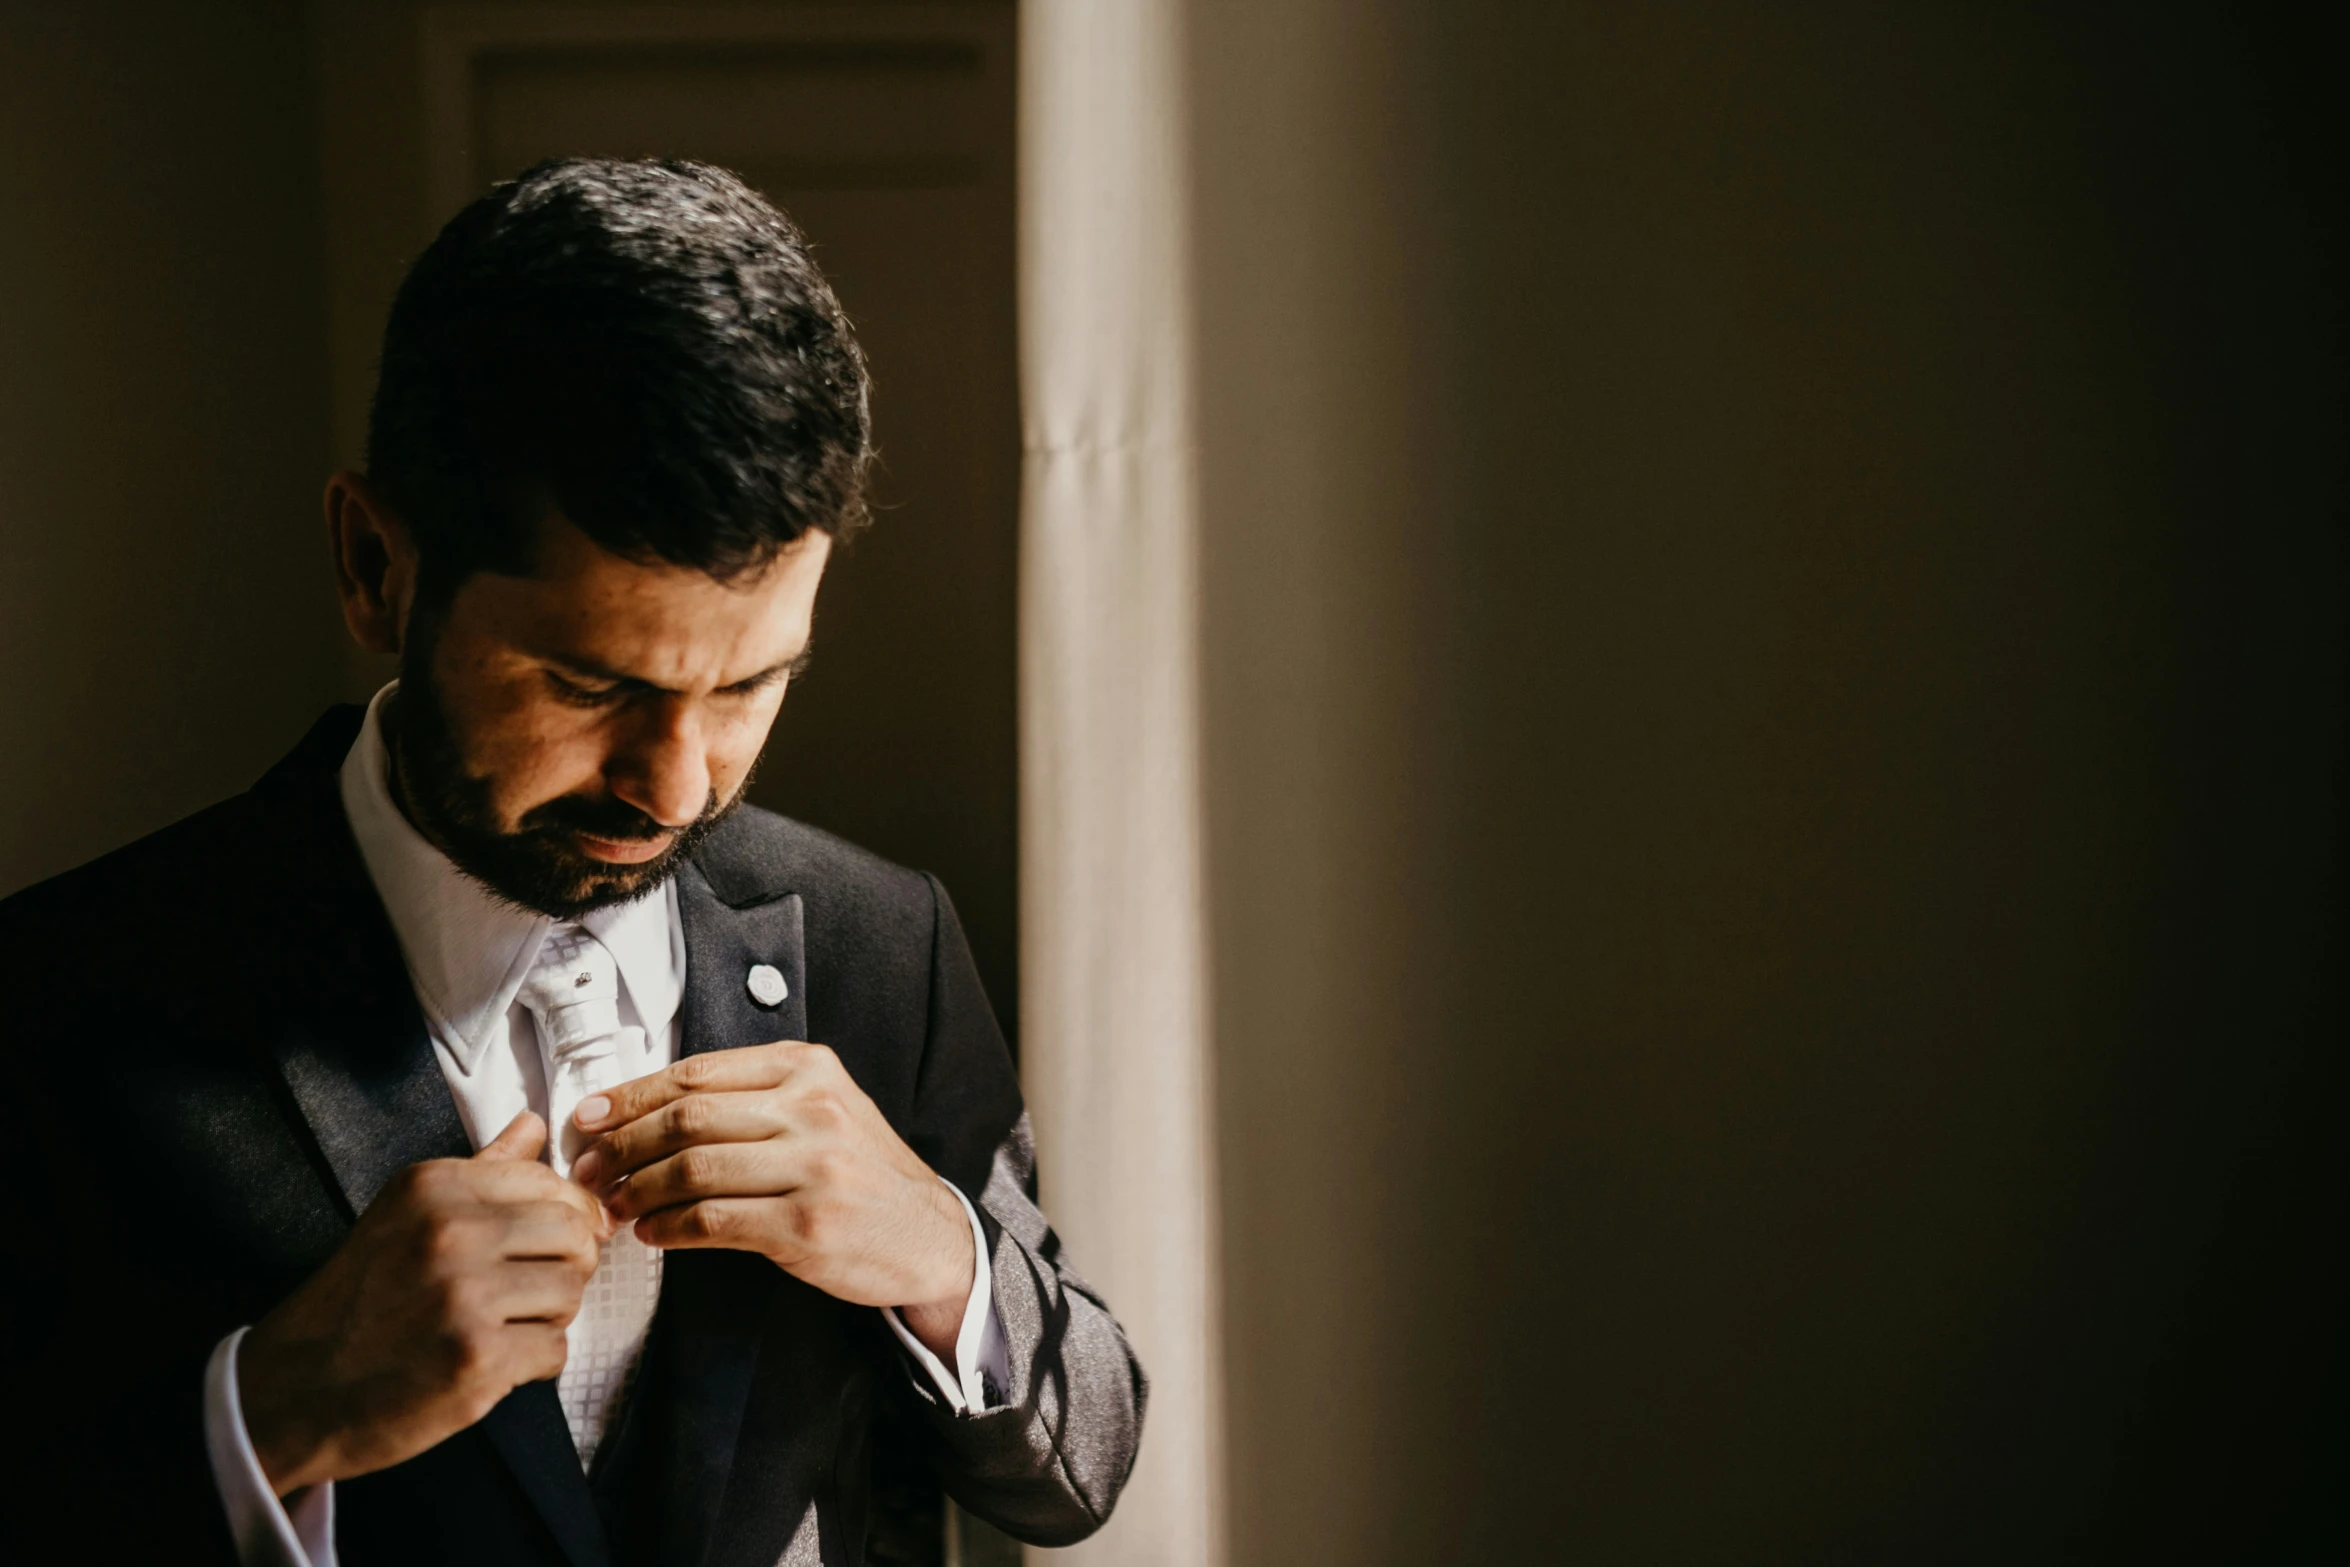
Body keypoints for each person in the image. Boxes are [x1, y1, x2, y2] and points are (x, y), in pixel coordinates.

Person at [0, 157, 1143, 1567]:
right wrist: (269, 1411)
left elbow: (1078, 1464)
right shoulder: (65, 988)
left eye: (746, 687)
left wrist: (934, 1252)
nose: (676, 785)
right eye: (588, 682)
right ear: (375, 567)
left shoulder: (875, 940)